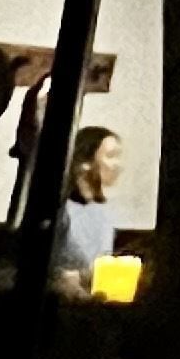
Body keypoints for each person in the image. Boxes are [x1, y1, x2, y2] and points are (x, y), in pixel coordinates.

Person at [50, 125, 124, 297]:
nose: (118, 165)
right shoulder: (62, 213)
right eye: (111, 156)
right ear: (84, 163)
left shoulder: (104, 213)